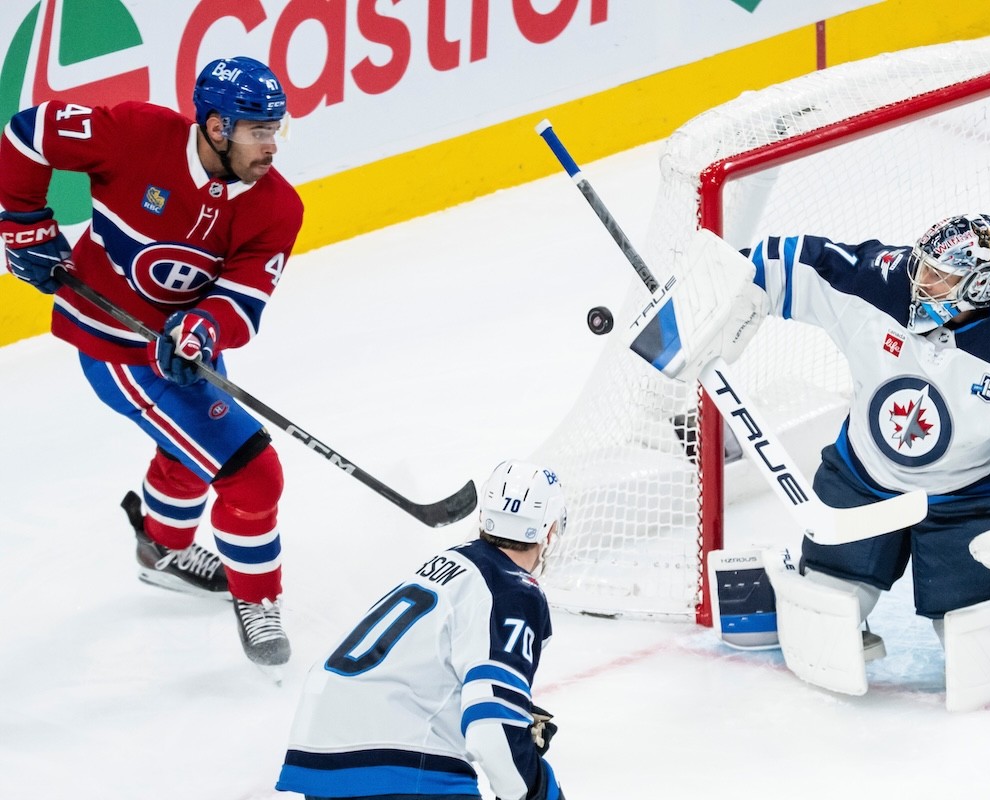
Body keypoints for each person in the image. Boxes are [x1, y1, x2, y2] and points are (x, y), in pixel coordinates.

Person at [0, 57, 304, 667]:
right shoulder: (135, 135)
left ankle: (161, 549)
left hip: (184, 351)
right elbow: (27, 132)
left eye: (277, 130)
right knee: (251, 472)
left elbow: (243, 299)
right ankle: (258, 598)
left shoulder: (278, 207)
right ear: (217, 127)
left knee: (193, 448)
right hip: (114, 342)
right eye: (257, 131)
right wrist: (23, 223)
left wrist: (204, 325)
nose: (271, 145)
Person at [735, 213, 990, 652]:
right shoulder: (880, 283)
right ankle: (831, 581)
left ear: (981, 284)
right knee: (831, 606)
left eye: (938, 275)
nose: (919, 281)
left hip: (968, 498)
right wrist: (726, 285)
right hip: (862, 480)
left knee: (972, 636)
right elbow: (801, 263)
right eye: (922, 266)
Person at [276, 460, 567, 800]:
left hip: (321, 745)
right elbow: (493, 730)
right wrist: (538, 788)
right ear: (549, 532)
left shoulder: (452, 562)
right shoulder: (514, 590)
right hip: (397, 757)